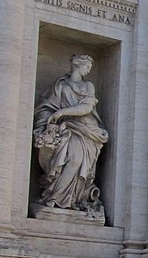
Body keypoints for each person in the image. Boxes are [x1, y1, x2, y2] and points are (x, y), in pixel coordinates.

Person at [33, 54, 108, 215]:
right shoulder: (59, 85)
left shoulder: (88, 86)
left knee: (77, 160)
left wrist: (61, 112)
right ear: (77, 65)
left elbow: (87, 108)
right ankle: (55, 197)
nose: (88, 70)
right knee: (67, 159)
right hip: (66, 129)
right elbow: (46, 106)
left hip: (87, 130)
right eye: (87, 66)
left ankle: (71, 199)